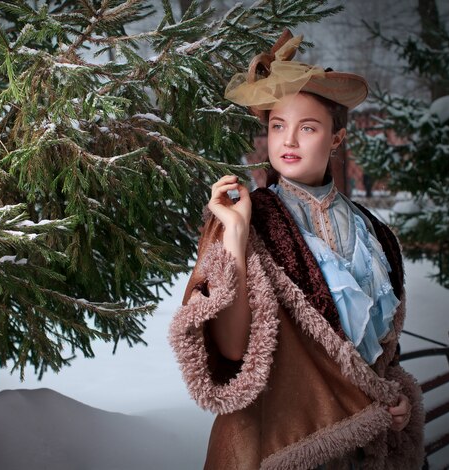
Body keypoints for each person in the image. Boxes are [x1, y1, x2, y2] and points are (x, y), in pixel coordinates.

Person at [169, 30, 424, 470]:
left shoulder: (376, 234)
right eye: (277, 126)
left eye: (307, 127)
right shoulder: (245, 216)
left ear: (337, 139)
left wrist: (397, 401)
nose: (288, 141)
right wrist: (236, 234)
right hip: (280, 444)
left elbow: (381, 359)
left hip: (366, 449)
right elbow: (232, 354)